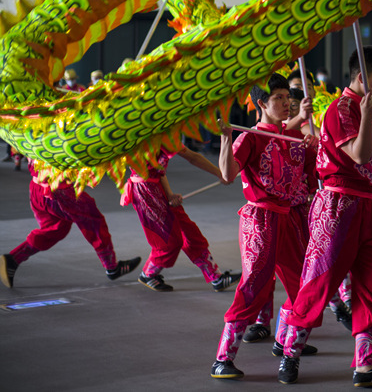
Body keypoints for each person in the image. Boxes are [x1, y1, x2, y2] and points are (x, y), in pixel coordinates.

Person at [280, 46, 372, 387]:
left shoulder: (364, 108)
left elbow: (365, 161)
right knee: (319, 282)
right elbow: (358, 152)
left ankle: (366, 365)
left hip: (365, 207)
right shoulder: (341, 109)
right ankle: (290, 352)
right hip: (338, 209)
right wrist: (367, 118)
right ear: (363, 74)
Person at [210, 74, 319, 380]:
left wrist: (313, 144)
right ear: (261, 104)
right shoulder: (250, 137)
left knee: (302, 286)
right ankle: (223, 358)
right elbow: (227, 174)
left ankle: (286, 343)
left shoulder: (295, 138)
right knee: (255, 286)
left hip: (289, 218)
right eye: (279, 99)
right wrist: (225, 137)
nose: (287, 104)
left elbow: (315, 177)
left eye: (288, 98)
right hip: (260, 220)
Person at [1, 158, 140, 288]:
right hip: (59, 191)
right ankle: (111, 267)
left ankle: (14, 259)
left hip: (37, 188)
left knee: (56, 229)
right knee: (93, 222)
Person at [124, 145, 240, 292]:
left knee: (189, 232)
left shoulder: (167, 135)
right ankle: (148, 274)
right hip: (146, 193)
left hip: (156, 186)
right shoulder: (148, 134)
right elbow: (193, 158)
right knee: (169, 241)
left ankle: (215, 277)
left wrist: (170, 194)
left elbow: (159, 170)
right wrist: (220, 174)